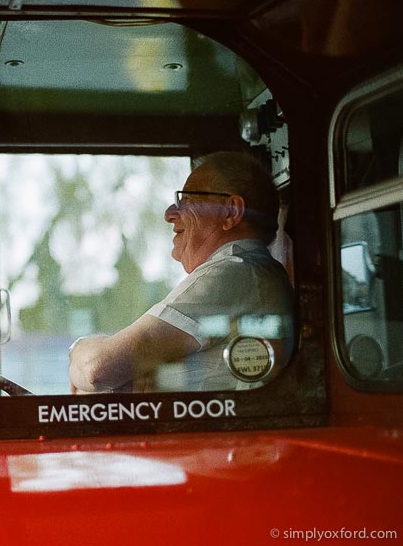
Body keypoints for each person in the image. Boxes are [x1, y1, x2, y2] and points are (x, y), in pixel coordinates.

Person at [68, 151, 293, 393]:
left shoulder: (235, 271)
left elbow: (98, 369)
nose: (169, 214)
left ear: (230, 212)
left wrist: (78, 350)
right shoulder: (252, 273)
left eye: (187, 201)